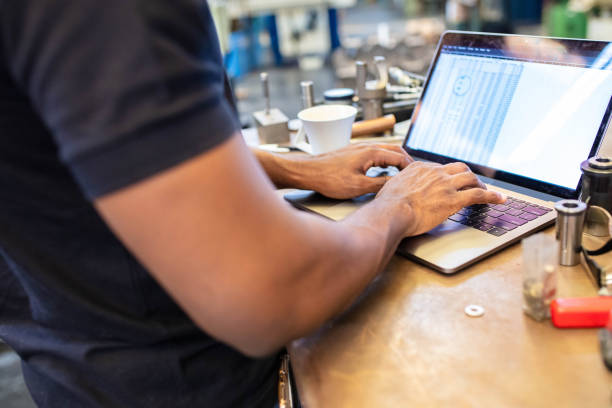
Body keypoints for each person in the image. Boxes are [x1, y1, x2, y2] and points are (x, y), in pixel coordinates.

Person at [0, 1, 505, 407]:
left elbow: (89, 149)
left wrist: (294, 169)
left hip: (70, 365)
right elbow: (270, 293)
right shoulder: (114, 15)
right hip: (182, 382)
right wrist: (399, 209)